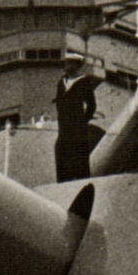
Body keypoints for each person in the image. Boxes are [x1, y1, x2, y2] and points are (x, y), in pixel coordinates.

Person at [53, 55, 99, 183]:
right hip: (63, 127)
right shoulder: (61, 83)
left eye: (71, 63)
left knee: (79, 156)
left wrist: (82, 120)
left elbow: (92, 105)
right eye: (66, 63)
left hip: (78, 127)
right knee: (62, 152)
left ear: (77, 66)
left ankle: (80, 182)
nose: (67, 66)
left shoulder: (84, 82)